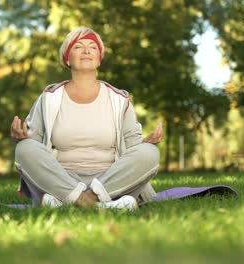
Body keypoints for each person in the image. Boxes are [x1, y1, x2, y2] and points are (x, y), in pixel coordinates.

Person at [11, 27, 163, 209]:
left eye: (92, 47)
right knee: (24, 148)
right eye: (78, 47)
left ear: (99, 59)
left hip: (110, 181)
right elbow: (35, 144)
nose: (86, 50)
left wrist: (145, 142)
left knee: (150, 153)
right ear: (67, 58)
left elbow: (132, 147)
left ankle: (73, 203)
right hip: (62, 180)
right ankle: (99, 205)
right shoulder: (49, 98)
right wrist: (22, 138)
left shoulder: (119, 100)